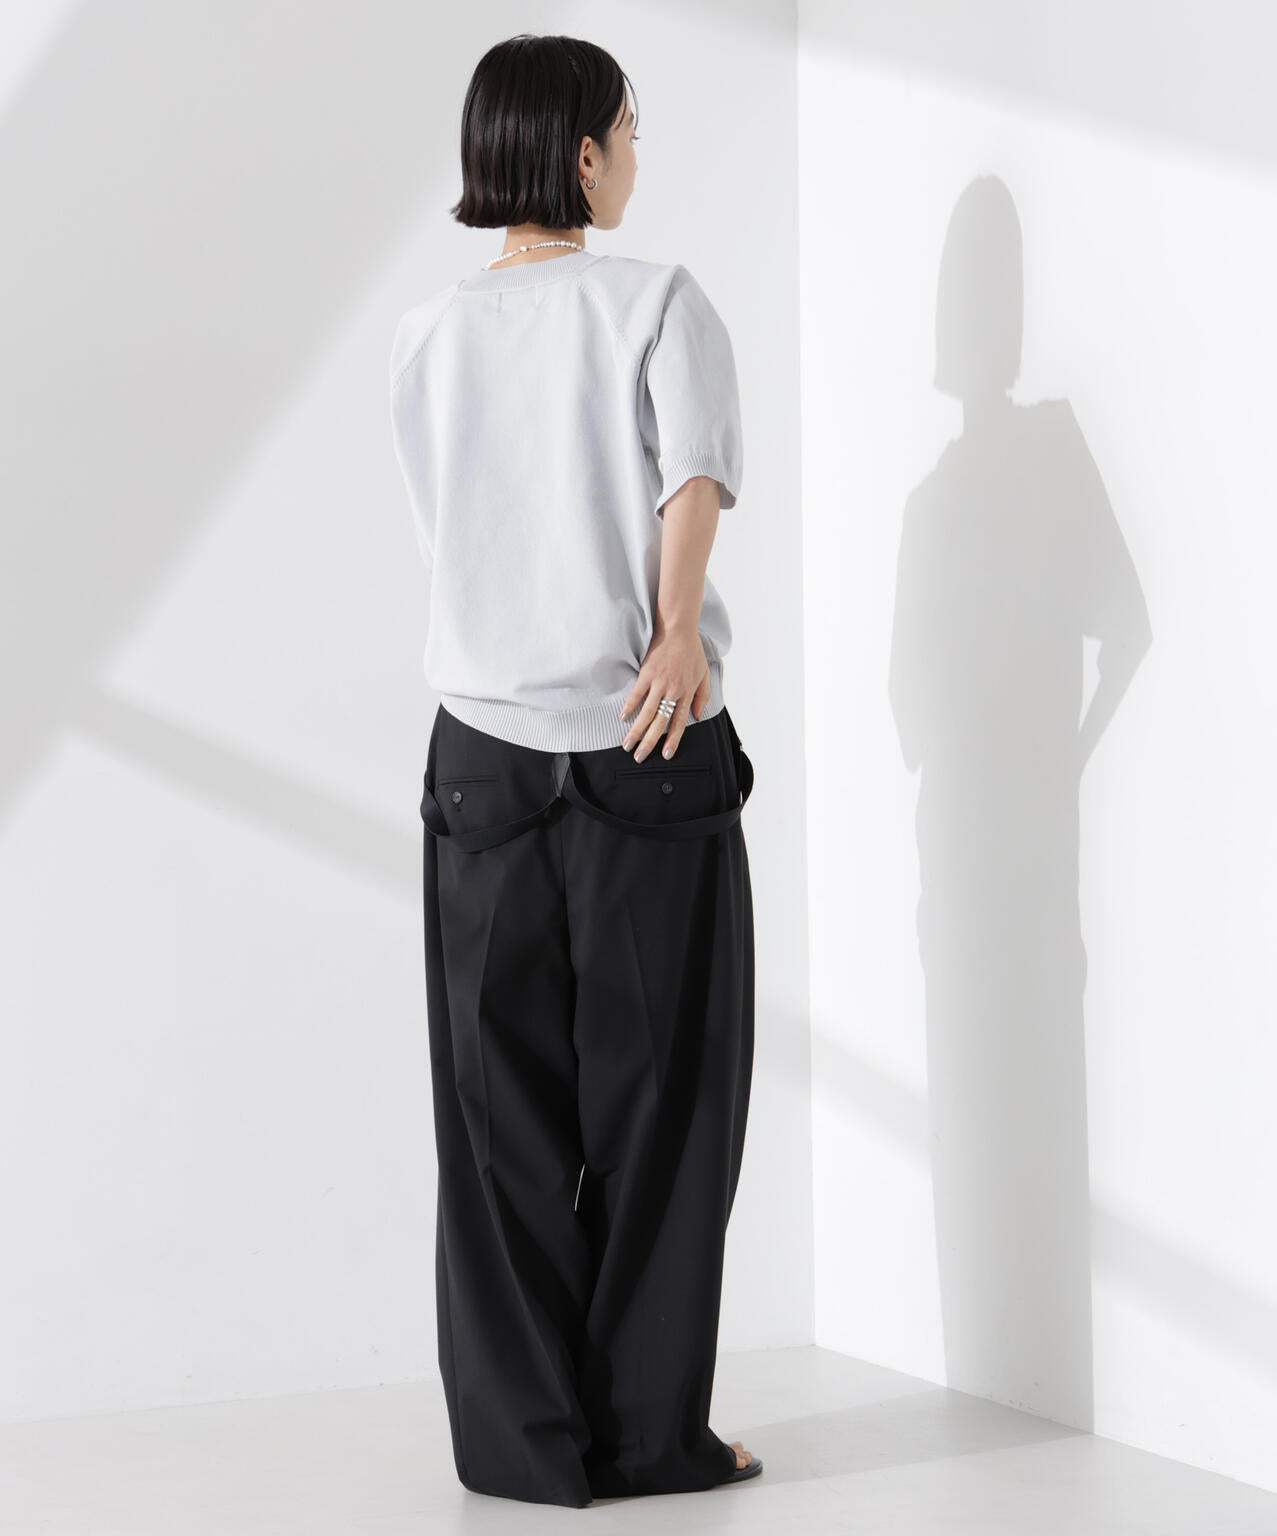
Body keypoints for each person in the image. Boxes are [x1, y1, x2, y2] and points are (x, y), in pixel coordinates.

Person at [388, 31, 760, 1508]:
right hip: (644, 742)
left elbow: (453, 527)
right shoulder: (657, 301)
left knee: (498, 1118)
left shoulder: (427, 335)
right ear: (583, 153)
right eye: (630, 131)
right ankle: (649, 1438)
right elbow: (694, 474)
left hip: (481, 756)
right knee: (664, 1106)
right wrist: (673, 633)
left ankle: (522, 1446)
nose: (636, 158)